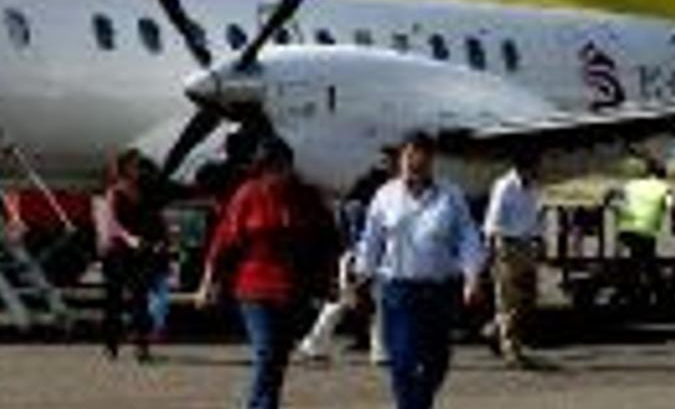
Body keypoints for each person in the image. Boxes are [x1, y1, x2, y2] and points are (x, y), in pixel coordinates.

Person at [196, 136, 341, 409]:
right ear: (261, 168)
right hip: (254, 288)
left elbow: (328, 239)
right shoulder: (247, 194)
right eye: (271, 168)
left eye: (282, 167)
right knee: (267, 351)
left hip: (294, 287)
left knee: (278, 358)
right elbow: (223, 241)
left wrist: (332, 277)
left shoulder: (307, 196)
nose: (277, 174)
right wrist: (207, 283)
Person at [355, 130, 486, 409]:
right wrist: (361, 274)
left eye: (421, 155)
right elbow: (371, 239)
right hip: (399, 290)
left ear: (431, 160)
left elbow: (467, 237)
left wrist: (472, 277)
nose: (414, 161)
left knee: (437, 362)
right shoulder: (385, 196)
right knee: (403, 360)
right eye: (409, 155)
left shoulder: (450, 194)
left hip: (439, 291)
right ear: (400, 159)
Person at [297, 145, 396, 364]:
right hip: (363, 259)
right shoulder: (370, 203)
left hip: (356, 258)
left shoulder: (353, 201)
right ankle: (378, 350)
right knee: (369, 305)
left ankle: (316, 343)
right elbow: (362, 236)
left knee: (351, 304)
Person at [99, 148, 169, 361]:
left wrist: (160, 241)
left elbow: (155, 218)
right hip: (118, 252)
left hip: (141, 251)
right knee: (114, 300)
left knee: (140, 299)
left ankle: (141, 345)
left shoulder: (144, 190)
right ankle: (111, 343)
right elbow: (113, 222)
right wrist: (130, 239)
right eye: (135, 164)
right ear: (125, 167)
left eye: (139, 164)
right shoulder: (115, 192)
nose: (138, 168)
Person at [482, 154, 543, 369]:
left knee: (527, 299)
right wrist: (491, 250)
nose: (539, 170)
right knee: (508, 301)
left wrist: (538, 240)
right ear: (524, 167)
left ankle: (494, 331)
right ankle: (511, 352)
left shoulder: (532, 187)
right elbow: (493, 219)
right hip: (507, 245)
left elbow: (534, 216)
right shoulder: (505, 186)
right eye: (535, 166)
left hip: (526, 245)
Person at [609, 155, 675, 307]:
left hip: (625, 230)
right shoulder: (664, 188)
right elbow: (671, 207)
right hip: (646, 232)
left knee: (639, 259)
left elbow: (613, 198)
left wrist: (616, 210)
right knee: (648, 261)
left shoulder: (631, 185)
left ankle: (631, 290)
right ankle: (651, 292)